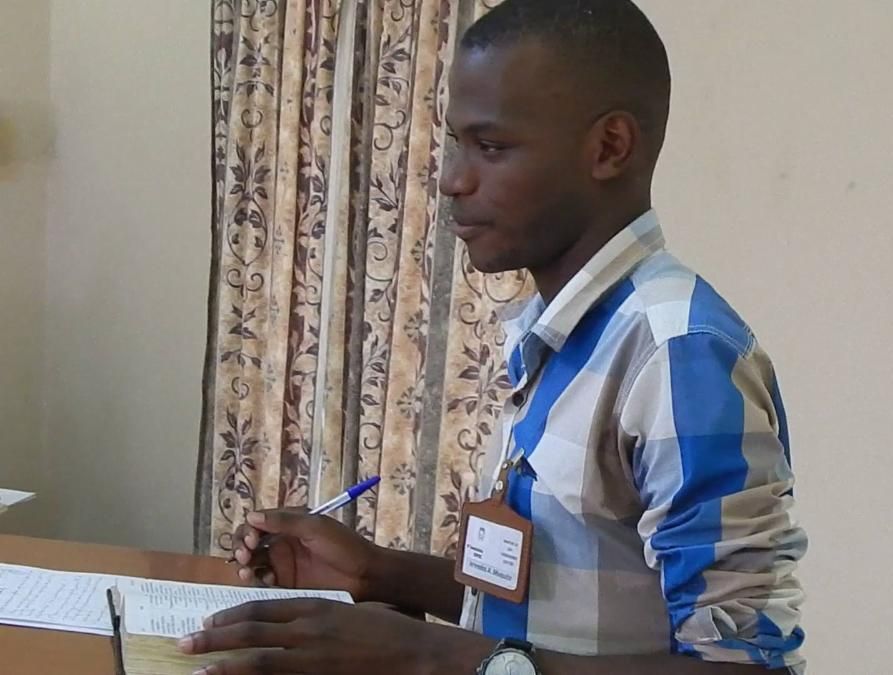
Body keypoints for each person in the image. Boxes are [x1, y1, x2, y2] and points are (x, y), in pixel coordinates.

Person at [179, 1, 807, 673]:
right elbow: (553, 612)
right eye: (457, 144)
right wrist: (378, 573)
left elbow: (744, 668)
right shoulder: (559, 332)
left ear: (609, 148)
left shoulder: (676, 353)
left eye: (492, 147)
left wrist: (426, 653)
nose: (452, 179)